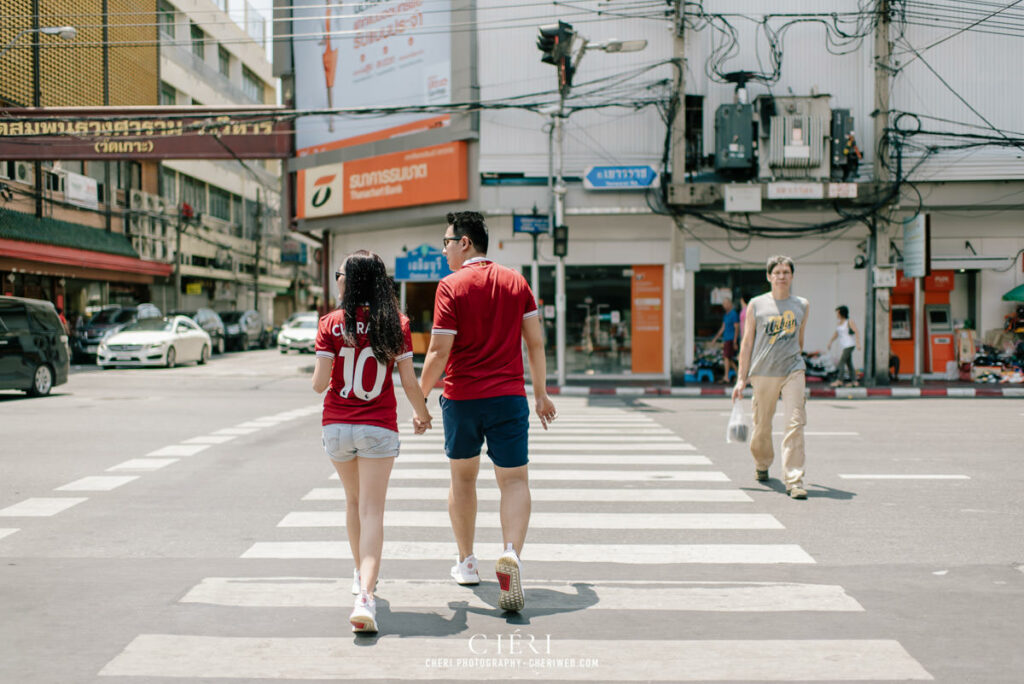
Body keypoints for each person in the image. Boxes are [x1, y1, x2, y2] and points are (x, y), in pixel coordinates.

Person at [419, 211, 557, 613]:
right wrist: (542, 394)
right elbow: (535, 343)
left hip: (462, 399)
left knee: (463, 480)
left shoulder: (450, 286)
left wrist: (420, 398)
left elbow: (439, 350)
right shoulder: (517, 281)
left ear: (464, 242)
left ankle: (466, 562)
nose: (443, 249)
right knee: (514, 481)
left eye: (446, 241)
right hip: (509, 397)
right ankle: (511, 554)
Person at [312, 250, 433, 634]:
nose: (337, 279)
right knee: (372, 511)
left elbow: (318, 384)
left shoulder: (330, 324)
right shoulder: (395, 322)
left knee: (352, 502)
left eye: (339, 274)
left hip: (337, 427)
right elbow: (409, 383)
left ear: (348, 281)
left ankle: (359, 577)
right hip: (379, 428)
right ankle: (367, 593)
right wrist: (424, 414)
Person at [732, 256, 810, 500]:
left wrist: (797, 361)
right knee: (762, 426)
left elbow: (800, 339)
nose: (781, 276)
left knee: (795, 423)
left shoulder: (802, 305)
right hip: (763, 372)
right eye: (776, 272)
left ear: (792, 276)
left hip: (793, 370)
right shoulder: (756, 305)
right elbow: (746, 343)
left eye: (786, 271)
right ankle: (762, 463)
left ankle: (794, 479)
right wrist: (740, 378)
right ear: (769, 277)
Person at [826, 305, 861, 387]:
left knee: (841, 362)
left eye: (837, 313)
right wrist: (830, 342)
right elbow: (836, 334)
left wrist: (858, 343)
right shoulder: (839, 323)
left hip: (850, 345)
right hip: (845, 346)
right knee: (849, 363)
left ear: (841, 313)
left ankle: (839, 380)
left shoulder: (849, 321)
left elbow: (856, 331)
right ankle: (854, 381)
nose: (836, 315)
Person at [710, 296, 739, 383]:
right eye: (723, 304)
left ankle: (726, 377)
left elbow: (737, 328)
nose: (724, 306)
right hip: (726, 339)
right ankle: (738, 374)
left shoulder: (733, 314)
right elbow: (723, 328)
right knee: (728, 358)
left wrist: (734, 341)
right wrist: (715, 338)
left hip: (731, 339)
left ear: (730, 304)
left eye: (726, 304)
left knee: (726, 357)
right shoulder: (726, 315)